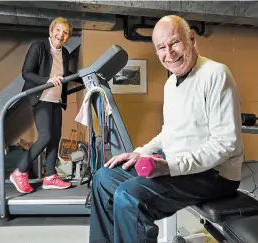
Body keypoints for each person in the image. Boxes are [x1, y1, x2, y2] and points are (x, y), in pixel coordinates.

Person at [89, 15, 244, 243]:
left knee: (130, 197)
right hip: (178, 164)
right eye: (161, 47)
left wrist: (170, 166)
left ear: (191, 39)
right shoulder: (171, 83)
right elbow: (168, 132)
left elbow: (225, 144)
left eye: (174, 43)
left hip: (215, 175)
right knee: (103, 178)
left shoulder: (216, 74)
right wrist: (141, 152)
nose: (168, 53)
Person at [10, 17, 77, 193]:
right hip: (40, 98)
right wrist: (46, 81)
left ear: (68, 37)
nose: (60, 35)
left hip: (56, 99)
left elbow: (62, 73)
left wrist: (82, 76)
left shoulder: (65, 53)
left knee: (55, 138)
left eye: (65, 33)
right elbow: (26, 73)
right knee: (46, 136)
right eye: (58, 30)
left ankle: (49, 176)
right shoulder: (38, 46)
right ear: (51, 30)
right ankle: (20, 171)